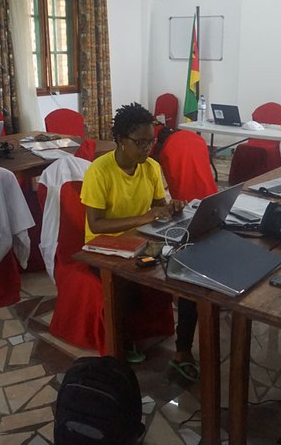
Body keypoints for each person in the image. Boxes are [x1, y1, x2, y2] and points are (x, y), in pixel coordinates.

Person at [81, 103, 200, 380]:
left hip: (141, 242)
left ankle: (183, 351)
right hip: (103, 248)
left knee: (189, 275)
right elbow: (96, 225)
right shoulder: (99, 171)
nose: (148, 148)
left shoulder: (151, 168)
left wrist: (173, 208)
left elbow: (160, 206)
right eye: (141, 142)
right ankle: (121, 342)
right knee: (126, 281)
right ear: (121, 141)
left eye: (152, 141)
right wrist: (143, 217)